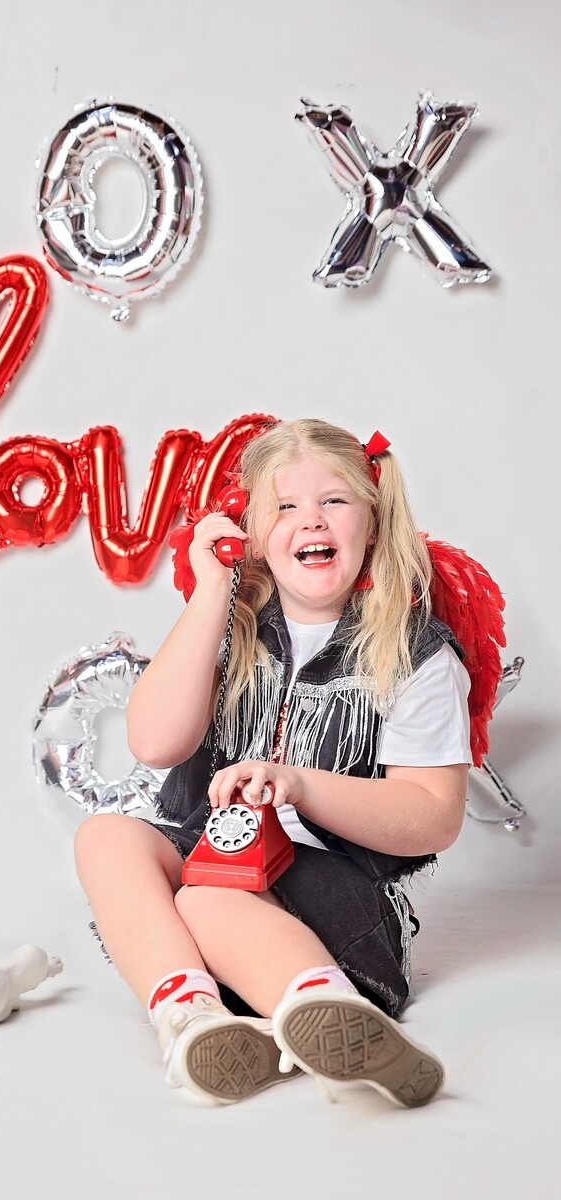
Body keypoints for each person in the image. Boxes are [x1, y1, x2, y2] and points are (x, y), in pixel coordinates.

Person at [74, 419, 472, 1108]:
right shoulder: (231, 629)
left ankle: (333, 1011)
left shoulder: (413, 652)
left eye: (333, 501)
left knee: (207, 896)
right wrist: (214, 591)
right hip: (212, 899)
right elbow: (154, 743)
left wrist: (300, 785)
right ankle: (194, 1019)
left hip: (337, 914)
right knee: (105, 837)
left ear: (373, 523)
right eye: (284, 506)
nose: (310, 519)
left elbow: (433, 817)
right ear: (251, 533)